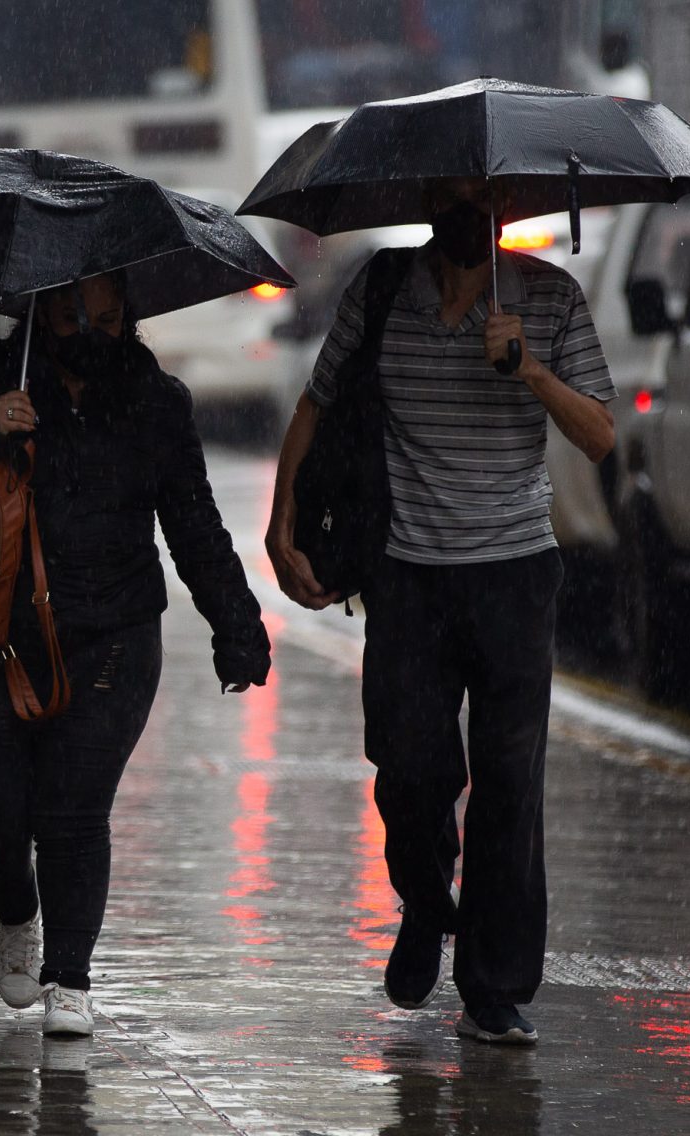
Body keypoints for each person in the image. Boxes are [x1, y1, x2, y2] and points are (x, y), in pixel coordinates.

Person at [264, 177, 615, 1046]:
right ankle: (426, 899)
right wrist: (279, 523)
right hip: (408, 578)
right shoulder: (383, 287)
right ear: (430, 206)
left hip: (514, 577)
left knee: (508, 785)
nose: (470, 216)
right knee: (409, 772)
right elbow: (316, 404)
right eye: (454, 200)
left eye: (483, 202)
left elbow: (601, 434)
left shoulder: (549, 297)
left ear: (503, 210)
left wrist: (528, 367)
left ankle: (493, 988)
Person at [0, 273, 271, 1037]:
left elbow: (195, 525)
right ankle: (18, 907)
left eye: (106, 317)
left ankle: (70, 979)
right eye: (71, 316)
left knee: (71, 807)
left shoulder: (156, 400)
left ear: (127, 317)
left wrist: (237, 625)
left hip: (114, 634)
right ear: (41, 312)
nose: (89, 332)